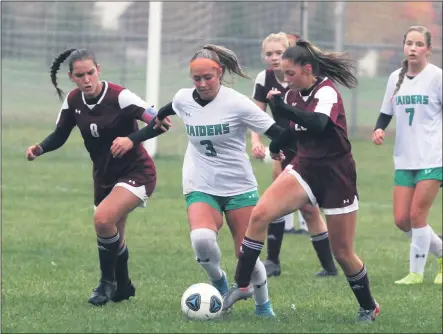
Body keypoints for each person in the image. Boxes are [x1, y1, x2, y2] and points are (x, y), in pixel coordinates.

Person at [111, 44, 285, 317]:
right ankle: (220, 285)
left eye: (208, 78)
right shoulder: (183, 99)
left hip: (239, 186)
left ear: (219, 73)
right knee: (202, 240)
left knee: (246, 255)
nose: (202, 84)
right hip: (200, 182)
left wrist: (282, 150)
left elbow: (278, 132)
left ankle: (264, 307)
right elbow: (161, 118)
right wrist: (132, 139)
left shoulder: (238, 103)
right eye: (197, 78)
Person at [222, 39, 380, 322]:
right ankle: (242, 284)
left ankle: (369, 306)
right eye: (282, 74)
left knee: (343, 252)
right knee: (260, 215)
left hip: (336, 174)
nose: (285, 79)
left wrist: (282, 107)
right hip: (305, 167)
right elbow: (294, 130)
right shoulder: (293, 93)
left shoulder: (327, 91)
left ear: (308, 69)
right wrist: (274, 145)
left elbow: (317, 123)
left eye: (290, 74)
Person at [25, 48, 171, 306]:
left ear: (99, 70)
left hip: (137, 171)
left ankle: (106, 283)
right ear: (72, 76)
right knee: (113, 233)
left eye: (91, 73)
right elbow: (60, 134)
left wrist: (131, 139)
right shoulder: (73, 101)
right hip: (104, 176)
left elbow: (161, 122)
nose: (87, 80)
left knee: (103, 220)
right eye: (80, 75)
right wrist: (40, 148)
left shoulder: (120, 96)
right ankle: (123, 286)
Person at [250, 32, 337, 278]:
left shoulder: (299, 79)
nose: (274, 58)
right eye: (269, 53)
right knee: (279, 202)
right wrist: (256, 141)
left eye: (279, 52)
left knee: (306, 209)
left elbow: (313, 117)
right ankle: (274, 261)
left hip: (307, 147)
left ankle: (328, 266)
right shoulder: (264, 78)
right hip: (284, 145)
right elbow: (256, 114)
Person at [372, 26, 442, 285]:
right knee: (402, 220)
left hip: (433, 157)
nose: (413, 48)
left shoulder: (437, 77)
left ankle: (415, 273)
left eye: (418, 44)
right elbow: (385, 112)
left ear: (428, 49)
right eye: (409, 43)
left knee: (417, 216)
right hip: (404, 158)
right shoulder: (395, 77)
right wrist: (379, 128)